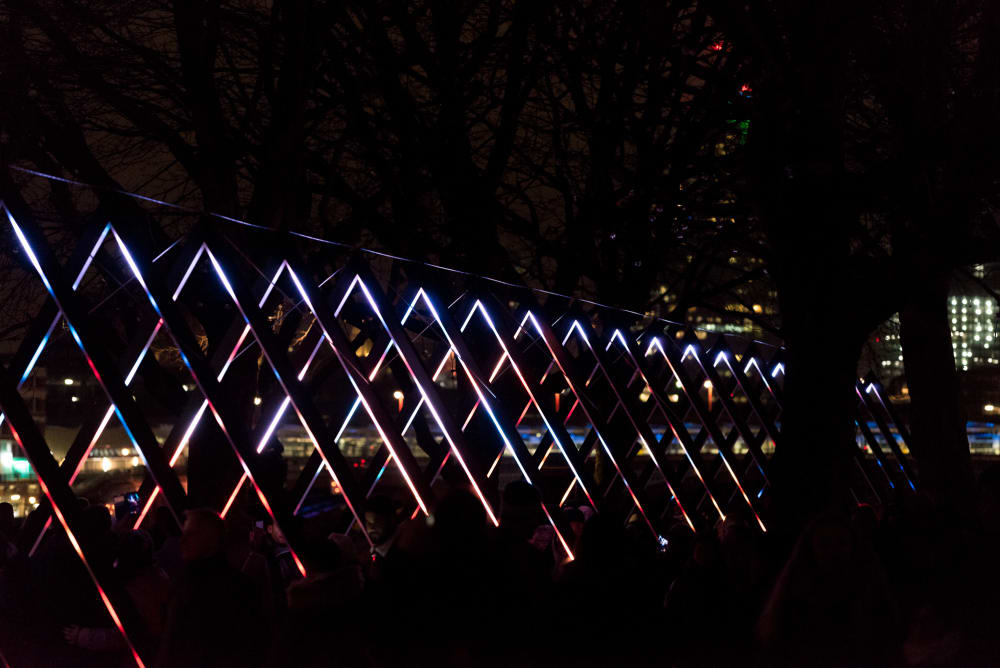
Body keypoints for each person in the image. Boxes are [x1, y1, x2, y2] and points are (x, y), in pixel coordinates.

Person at [155, 509, 264, 668]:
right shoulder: (239, 584)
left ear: (210, 539)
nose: (182, 540)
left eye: (191, 534)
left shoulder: (189, 586)